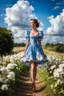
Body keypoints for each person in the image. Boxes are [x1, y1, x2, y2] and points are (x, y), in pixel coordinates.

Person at [20, 18, 49, 92]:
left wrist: (43, 53)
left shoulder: (40, 33)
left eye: (32, 22)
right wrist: (24, 53)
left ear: (35, 24)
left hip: (37, 50)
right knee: (32, 66)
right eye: (30, 23)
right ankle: (33, 84)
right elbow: (27, 43)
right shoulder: (28, 32)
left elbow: (40, 43)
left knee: (35, 67)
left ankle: (33, 80)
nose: (31, 24)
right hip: (30, 50)